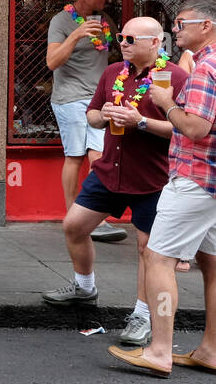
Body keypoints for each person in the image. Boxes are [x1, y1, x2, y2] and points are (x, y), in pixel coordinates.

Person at [43, 18, 186, 348]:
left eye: (131, 38)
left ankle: (142, 314)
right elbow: (91, 115)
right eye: (122, 36)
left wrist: (142, 123)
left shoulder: (174, 76)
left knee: (148, 250)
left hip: (152, 178)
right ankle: (84, 286)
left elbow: (185, 128)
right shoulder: (113, 73)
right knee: (74, 226)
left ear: (155, 43)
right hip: (109, 170)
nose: (123, 42)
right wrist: (104, 114)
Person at [109, 0, 216, 377]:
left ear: (206, 25)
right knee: (211, 264)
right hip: (212, 183)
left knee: (157, 258)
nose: (176, 29)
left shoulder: (205, 69)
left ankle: (158, 350)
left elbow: (196, 129)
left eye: (182, 23)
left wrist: (167, 103)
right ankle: (210, 350)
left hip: (194, 177)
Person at [47, 0, 124, 242]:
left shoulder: (104, 21)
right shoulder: (61, 21)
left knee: (99, 157)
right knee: (76, 155)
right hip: (70, 97)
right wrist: (77, 34)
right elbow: (52, 62)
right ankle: (72, 214)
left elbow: (119, 49)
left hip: (98, 99)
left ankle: (93, 216)